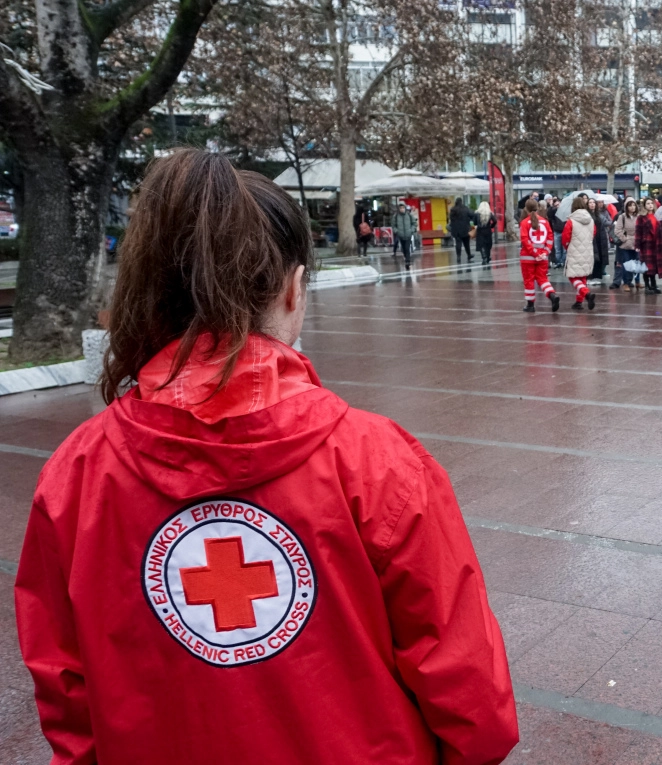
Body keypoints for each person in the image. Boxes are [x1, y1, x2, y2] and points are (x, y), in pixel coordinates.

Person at [15, 149, 519, 764]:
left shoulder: (77, 474)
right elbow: (472, 699)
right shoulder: (378, 463)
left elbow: (67, 697)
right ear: (293, 288)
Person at [519, 198, 560, 312]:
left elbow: (525, 240)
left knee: (529, 280)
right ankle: (552, 295)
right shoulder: (545, 222)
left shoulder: (524, 223)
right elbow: (550, 239)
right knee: (543, 279)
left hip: (528, 257)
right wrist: (545, 252)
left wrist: (534, 253)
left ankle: (530, 305)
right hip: (542, 257)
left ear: (526, 208)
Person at [561, 195, 598, 310]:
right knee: (582, 277)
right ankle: (579, 302)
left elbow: (565, 238)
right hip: (588, 251)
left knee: (572, 276)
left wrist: (567, 247)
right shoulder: (591, 220)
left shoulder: (571, 221)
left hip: (574, 251)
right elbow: (593, 233)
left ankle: (586, 293)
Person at [636, 197, 662, 294]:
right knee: (646, 266)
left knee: (654, 266)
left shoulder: (658, 216)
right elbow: (638, 232)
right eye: (648, 203)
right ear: (644, 206)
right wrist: (637, 245)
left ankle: (653, 284)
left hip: (657, 244)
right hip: (646, 245)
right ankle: (647, 285)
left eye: (651, 203)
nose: (650, 205)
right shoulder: (641, 217)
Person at [611, 199, 640, 291]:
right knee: (626, 263)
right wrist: (624, 239)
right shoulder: (622, 217)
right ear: (626, 207)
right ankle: (626, 283)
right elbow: (617, 230)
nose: (632, 207)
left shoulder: (638, 217)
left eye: (634, 205)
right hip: (625, 245)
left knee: (637, 263)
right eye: (630, 205)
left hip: (636, 243)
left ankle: (637, 281)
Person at [587, 198, 609, 284]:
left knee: (599, 256)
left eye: (593, 202)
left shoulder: (598, 214)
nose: (592, 204)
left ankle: (596, 276)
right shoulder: (587, 214)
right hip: (591, 238)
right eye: (590, 202)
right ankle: (590, 276)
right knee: (592, 257)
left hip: (599, 237)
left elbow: (606, 222)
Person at [391, 201, 417, 270]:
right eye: (400, 208)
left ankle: (407, 262)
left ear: (405, 208)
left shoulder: (409, 215)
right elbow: (393, 226)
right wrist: (397, 231)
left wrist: (411, 230)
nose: (402, 209)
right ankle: (406, 258)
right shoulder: (396, 216)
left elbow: (414, 223)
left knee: (407, 248)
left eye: (403, 208)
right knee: (403, 249)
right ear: (398, 209)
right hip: (401, 235)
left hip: (408, 235)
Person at [447, 197, 473, 262]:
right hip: (465, 229)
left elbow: (451, 218)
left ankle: (458, 257)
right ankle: (469, 255)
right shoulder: (465, 208)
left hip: (456, 230)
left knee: (458, 244)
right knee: (466, 243)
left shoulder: (453, 209)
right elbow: (471, 215)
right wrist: (468, 220)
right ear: (461, 202)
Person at [473, 201, 497, 266]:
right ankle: (488, 257)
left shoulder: (477, 213)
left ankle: (484, 257)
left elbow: (474, 222)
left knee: (481, 245)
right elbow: (495, 220)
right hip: (488, 230)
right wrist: (491, 226)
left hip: (480, 231)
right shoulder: (490, 213)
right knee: (488, 245)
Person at [548, 197, 567, 268]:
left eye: (558, 204)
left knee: (564, 249)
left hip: (564, 231)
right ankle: (558, 262)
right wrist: (551, 206)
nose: (558, 206)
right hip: (557, 231)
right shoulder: (554, 211)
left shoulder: (565, 211)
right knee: (557, 248)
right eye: (556, 205)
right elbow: (549, 215)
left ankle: (563, 261)